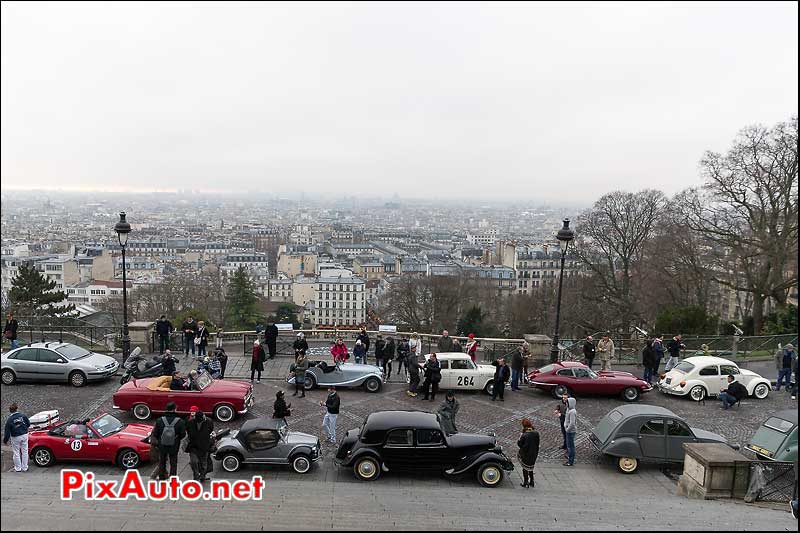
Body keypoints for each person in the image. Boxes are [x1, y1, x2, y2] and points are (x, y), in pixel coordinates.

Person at [154, 401, 186, 479]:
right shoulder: (180, 421)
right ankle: (172, 478)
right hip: (174, 445)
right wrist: (176, 439)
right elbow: (183, 434)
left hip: (162, 445)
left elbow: (155, 433)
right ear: (174, 409)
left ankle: (162, 477)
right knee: (173, 462)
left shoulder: (160, 420)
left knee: (162, 462)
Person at [185, 405, 213, 482]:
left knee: (204, 463)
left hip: (204, 446)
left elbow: (210, 430)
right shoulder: (190, 422)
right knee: (194, 462)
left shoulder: (208, 422)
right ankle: (196, 476)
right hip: (194, 446)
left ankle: (202, 476)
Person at [3, 403, 30, 472]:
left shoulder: (10, 420)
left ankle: (18, 468)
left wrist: (5, 441)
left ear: (10, 411)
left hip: (16, 437)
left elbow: (7, 432)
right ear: (17, 409)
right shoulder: (23, 416)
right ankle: (25, 467)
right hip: (24, 435)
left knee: (16, 452)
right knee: (25, 451)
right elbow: (28, 424)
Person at [517, 418, 540, 488]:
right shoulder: (536, 433)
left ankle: (525, 482)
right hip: (534, 453)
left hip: (526, 454)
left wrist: (520, 437)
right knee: (531, 467)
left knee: (525, 468)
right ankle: (532, 481)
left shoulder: (524, 435)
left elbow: (520, 445)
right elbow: (537, 443)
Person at [563, 397, 578, 466]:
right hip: (569, 430)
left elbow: (572, 423)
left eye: (567, 402)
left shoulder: (572, 412)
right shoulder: (569, 409)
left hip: (570, 431)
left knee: (570, 447)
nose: (566, 403)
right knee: (570, 446)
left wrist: (567, 429)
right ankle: (569, 457)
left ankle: (570, 461)